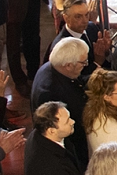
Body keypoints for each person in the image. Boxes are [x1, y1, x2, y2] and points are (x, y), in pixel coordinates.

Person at [31, 37, 90, 165]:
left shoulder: (54, 67)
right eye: (83, 62)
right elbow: (63, 133)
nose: (86, 65)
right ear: (68, 65)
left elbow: (75, 83)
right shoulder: (50, 92)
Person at [24, 101, 83, 175]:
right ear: (51, 130)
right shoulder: (50, 167)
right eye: (67, 121)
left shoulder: (38, 135)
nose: (73, 121)